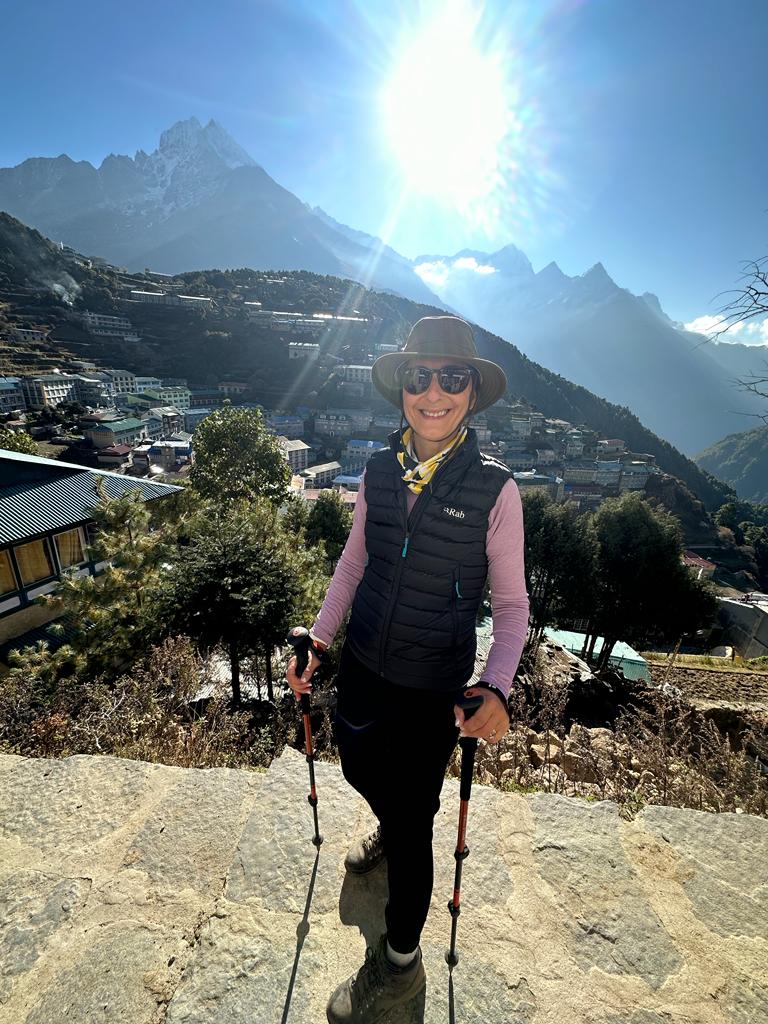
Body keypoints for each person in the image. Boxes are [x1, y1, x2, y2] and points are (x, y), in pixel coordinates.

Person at [287, 315, 529, 1023]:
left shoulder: (496, 491)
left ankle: (398, 966)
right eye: (419, 377)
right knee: (359, 767)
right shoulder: (377, 472)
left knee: (416, 823)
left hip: (433, 689)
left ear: (472, 393)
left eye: (451, 379)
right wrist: (319, 641)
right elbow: (353, 564)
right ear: (402, 389)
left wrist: (497, 687)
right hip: (363, 665)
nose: (433, 393)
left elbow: (512, 609)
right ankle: (392, 827)